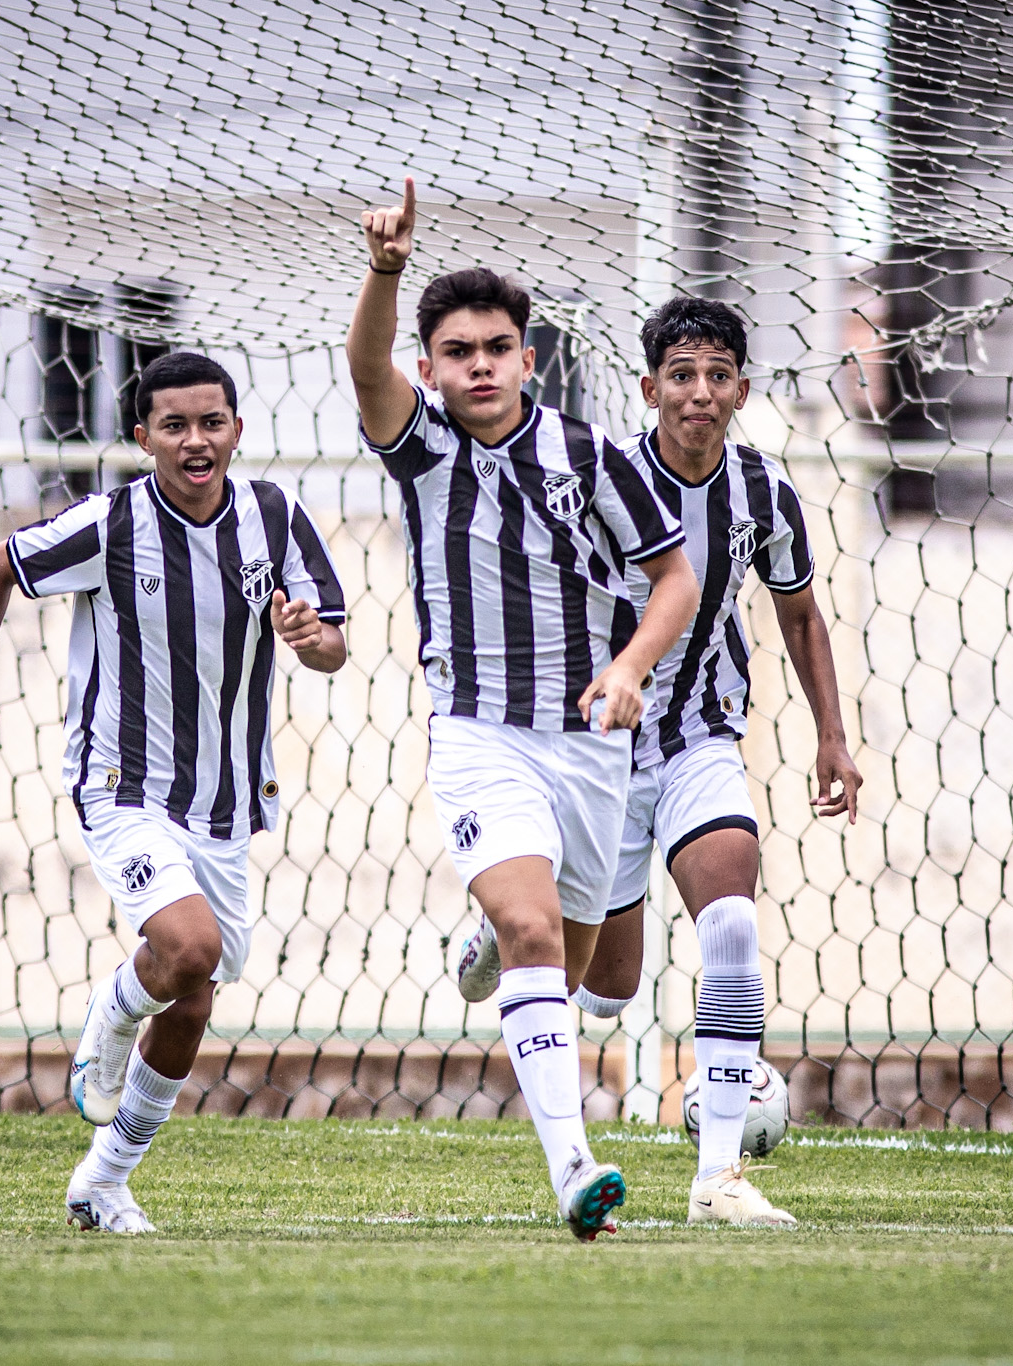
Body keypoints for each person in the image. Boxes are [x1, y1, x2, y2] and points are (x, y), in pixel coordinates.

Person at [348, 179, 699, 1240]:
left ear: (527, 359)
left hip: (588, 745)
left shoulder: (591, 458)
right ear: (431, 370)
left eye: (496, 347)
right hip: (478, 732)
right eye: (457, 352)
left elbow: (674, 579)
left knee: (582, 965)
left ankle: (495, 945)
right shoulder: (420, 447)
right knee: (534, 923)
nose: (479, 366)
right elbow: (363, 369)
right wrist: (384, 269)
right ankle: (571, 1167)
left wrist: (632, 664)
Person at [460, 295, 859, 1225]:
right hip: (596, 752)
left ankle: (718, 1177)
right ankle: (495, 924)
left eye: (718, 375)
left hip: (699, 739)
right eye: (682, 375)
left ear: (742, 390)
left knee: (729, 920)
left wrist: (831, 735)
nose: (700, 392)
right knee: (607, 992)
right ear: (649, 389)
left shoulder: (765, 494)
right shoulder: (602, 480)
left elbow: (800, 615)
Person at [0, 351, 348, 1234]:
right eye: (175, 426)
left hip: (227, 802)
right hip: (121, 784)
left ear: (236, 429)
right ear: (143, 438)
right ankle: (113, 1010)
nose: (195, 441)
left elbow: (332, 647)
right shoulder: (111, 523)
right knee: (187, 947)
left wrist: (309, 636)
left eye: (212, 423)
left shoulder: (276, 518)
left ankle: (103, 1178)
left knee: (194, 991)